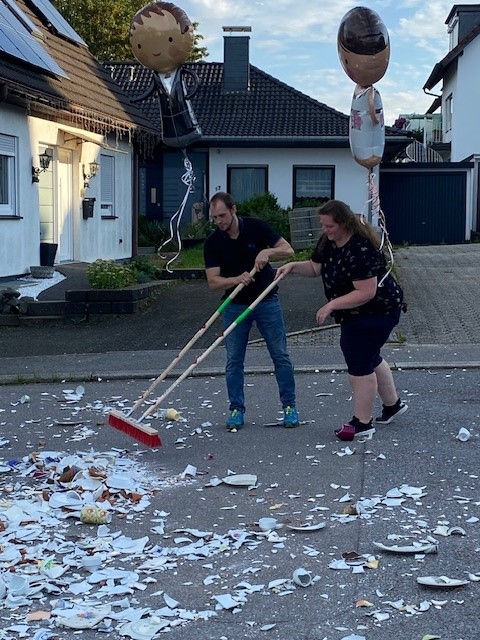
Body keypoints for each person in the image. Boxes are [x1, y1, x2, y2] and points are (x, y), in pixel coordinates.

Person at [276, 199, 407, 441]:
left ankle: (362, 423)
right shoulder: (329, 241)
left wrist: (331, 305)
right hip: (355, 311)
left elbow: (366, 293)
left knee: (359, 359)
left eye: (330, 226)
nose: (325, 230)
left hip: (378, 309)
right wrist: (292, 266)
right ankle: (393, 406)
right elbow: (316, 268)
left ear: (344, 224)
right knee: (370, 356)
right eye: (323, 225)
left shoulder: (361, 248)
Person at [204, 192, 299, 431]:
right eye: (215, 218)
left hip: (266, 301)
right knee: (234, 360)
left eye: (222, 216)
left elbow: (288, 250)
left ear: (233, 209)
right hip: (234, 306)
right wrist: (236, 279)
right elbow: (213, 282)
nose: (219, 221)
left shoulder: (257, 228)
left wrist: (267, 252)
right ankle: (236, 409)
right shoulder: (213, 242)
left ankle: (289, 407)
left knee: (280, 355)